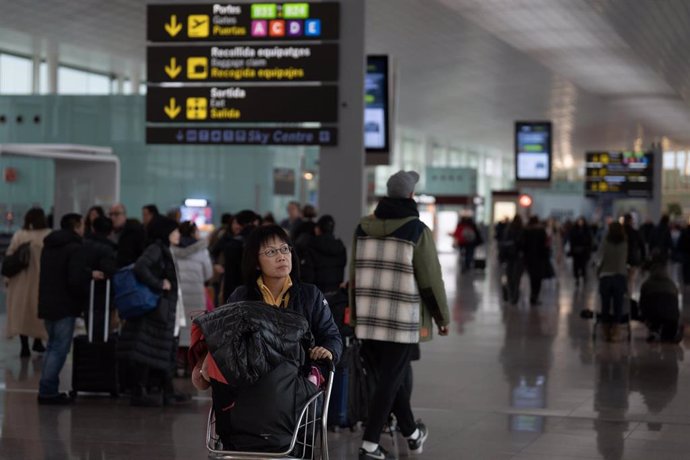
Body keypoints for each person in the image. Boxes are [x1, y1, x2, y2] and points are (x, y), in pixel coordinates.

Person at [350, 170, 450, 459]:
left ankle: (413, 433)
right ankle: (369, 444)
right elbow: (431, 280)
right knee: (389, 381)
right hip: (402, 321)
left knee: (388, 380)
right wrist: (442, 318)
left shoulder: (362, 227)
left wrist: (355, 317)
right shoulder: (416, 230)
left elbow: (354, 276)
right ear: (410, 196)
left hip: (369, 319)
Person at [226, 224, 342, 364]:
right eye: (271, 252)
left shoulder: (311, 295)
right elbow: (227, 341)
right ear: (256, 262)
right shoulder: (241, 297)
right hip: (254, 380)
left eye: (284, 249)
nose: (281, 257)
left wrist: (328, 350)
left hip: (299, 379)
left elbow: (331, 335)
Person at [117, 216, 184, 406]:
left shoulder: (166, 250)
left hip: (165, 306)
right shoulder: (156, 249)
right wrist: (158, 284)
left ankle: (166, 390)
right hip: (157, 307)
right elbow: (140, 267)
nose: (178, 234)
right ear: (166, 232)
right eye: (175, 231)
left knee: (163, 348)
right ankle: (141, 391)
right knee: (150, 350)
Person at [37, 213, 90, 404]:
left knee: (52, 347)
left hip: (47, 302)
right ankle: (47, 391)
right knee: (59, 348)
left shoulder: (49, 246)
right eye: (83, 224)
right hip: (64, 305)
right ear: (76, 226)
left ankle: (47, 388)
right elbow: (75, 280)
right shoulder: (75, 248)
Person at [4, 207, 51, 357]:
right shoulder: (48, 235)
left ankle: (24, 346)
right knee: (37, 312)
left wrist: (7, 279)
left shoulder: (20, 235)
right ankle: (38, 341)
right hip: (41, 280)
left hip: (20, 281)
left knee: (21, 313)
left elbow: (10, 256)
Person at [172, 221, 213, 372]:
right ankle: (192, 366)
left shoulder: (172, 250)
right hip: (196, 294)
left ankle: (178, 364)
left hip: (178, 295)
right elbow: (208, 273)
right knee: (194, 330)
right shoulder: (202, 250)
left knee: (179, 328)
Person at [298, 215, 347, 294]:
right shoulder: (341, 248)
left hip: (317, 296)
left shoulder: (311, 246)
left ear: (317, 229)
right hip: (336, 295)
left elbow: (308, 276)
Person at [639, 255, 683, 343]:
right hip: (672, 316)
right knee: (668, 333)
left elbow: (642, 303)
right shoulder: (672, 284)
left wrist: (644, 316)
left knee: (653, 313)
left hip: (653, 315)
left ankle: (654, 330)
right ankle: (671, 334)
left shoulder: (647, 284)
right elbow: (676, 304)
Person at [596, 221, 628, 342]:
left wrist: (598, 270)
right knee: (618, 304)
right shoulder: (624, 242)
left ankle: (605, 330)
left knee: (605, 304)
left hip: (606, 276)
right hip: (620, 276)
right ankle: (616, 330)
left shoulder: (605, 241)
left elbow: (599, 257)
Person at [109, 203, 146, 268]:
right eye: (110, 214)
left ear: (124, 215)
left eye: (116, 214)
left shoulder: (135, 231)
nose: (112, 217)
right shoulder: (108, 231)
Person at [523, 216, 549, 306]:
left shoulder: (526, 231)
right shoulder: (541, 231)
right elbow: (545, 245)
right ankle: (535, 296)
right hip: (539, 258)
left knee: (532, 277)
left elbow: (523, 244)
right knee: (538, 279)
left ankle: (532, 295)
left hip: (529, 258)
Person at [500, 215, 524, 305]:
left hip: (509, 257)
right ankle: (514, 296)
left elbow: (503, 243)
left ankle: (511, 295)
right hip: (519, 257)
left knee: (510, 277)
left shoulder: (508, 230)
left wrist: (502, 257)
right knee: (516, 278)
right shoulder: (522, 230)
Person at [623, 213, 645, 295]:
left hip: (621, 260)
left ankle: (623, 294)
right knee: (631, 280)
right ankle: (629, 294)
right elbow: (642, 247)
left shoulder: (620, 233)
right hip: (633, 259)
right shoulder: (636, 233)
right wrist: (643, 259)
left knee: (623, 278)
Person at [568, 217, 592, 287]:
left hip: (584, 251)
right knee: (576, 265)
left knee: (583, 265)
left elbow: (589, 240)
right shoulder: (574, 230)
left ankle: (583, 277)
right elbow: (571, 240)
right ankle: (577, 278)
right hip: (576, 251)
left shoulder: (586, 230)